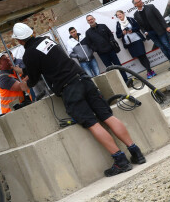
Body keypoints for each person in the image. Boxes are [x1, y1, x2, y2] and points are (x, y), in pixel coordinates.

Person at [12, 23, 146, 177]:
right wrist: (21, 70)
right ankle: (136, 152)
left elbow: (33, 77)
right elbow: (42, 61)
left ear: (19, 41)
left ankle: (120, 161)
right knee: (107, 116)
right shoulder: (47, 40)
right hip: (83, 78)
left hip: (69, 88)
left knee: (92, 123)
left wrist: (24, 85)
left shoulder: (28, 54)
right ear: (32, 33)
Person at [132, 0, 170, 70]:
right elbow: (140, 25)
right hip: (151, 34)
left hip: (160, 30)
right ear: (135, 5)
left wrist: (166, 27)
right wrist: (145, 32)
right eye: (138, 1)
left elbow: (159, 17)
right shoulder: (136, 14)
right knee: (163, 48)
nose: (141, 1)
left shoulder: (150, 7)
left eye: (140, 0)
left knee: (167, 45)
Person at [82, 15, 127, 82]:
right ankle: (119, 83)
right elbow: (89, 44)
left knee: (118, 66)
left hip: (111, 50)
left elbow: (111, 35)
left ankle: (126, 80)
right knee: (111, 70)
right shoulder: (88, 32)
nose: (91, 21)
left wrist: (111, 43)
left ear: (94, 19)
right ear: (87, 22)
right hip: (102, 54)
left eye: (91, 19)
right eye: (89, 20)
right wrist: (97, 49)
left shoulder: (103, 26)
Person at [115, 10, 156, 79]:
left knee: (143, 55)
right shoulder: (118, 24)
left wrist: (132, 30)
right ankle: (150, 71)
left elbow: (138, 27)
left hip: (137, 40)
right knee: (139, 57)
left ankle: (149, 71)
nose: (119, 16)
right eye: (117, 15)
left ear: (123, 13)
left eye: (120, 14)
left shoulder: (130, 19)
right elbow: (118, 35)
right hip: (129, 43)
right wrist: (123, 33)